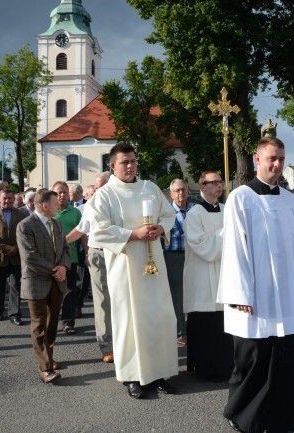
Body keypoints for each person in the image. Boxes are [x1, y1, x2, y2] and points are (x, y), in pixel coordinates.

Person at [216, 137, 294, 433]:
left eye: (280, 158)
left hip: (285, 293)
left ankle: (282, 415)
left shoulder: (290, 201)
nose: (277, 164)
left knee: (281, 357)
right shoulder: (240, 198)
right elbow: (233, 250)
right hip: (254, 295)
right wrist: (239, 293)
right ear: (257, 159)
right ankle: (242, 412)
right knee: (252, 359)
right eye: (271, 158)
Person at [87, 143, 179, 399]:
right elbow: (98, 230)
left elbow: (168, 214)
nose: (130, 166)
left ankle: (159, 373)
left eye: (133, 161)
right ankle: (131, 376)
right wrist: (133, 234)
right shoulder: (104, 195)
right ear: (112, 166)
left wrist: (161, 229)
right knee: (128, 321)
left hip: (154, 266)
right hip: (125, 267)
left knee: (157, 317)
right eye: (124, 162)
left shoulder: (149, 188)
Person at [16, 189, 71, 384]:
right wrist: (54, 270)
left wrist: (64, 266)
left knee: (52, 323)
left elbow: (66, 248)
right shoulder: (25, 226)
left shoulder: (56, 223)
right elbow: (29, 256)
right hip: (36, 281)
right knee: (38, 324)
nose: (59, 206)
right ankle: (45, 368)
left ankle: (49, 356)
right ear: (45, 205)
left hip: (57, 281)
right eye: (56, 204)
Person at [183, 170, 233, 382]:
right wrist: (226, 235)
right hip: (202, 276)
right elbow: (201, 245)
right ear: (202, 187)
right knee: (206, 324)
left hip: (225, 273)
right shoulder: (195, 214)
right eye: (213, 182)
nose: (219, 186)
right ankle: (206, 368)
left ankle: (227, 366)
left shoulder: (227, 210)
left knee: (224, 324)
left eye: (220, 182)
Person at [65, 171, 114, 363]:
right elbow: (81, 230)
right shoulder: (91, 204)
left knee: (120, 300)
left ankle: (123, 342)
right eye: (94, 187)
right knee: (102, 301)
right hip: (99, 254)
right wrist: (61, 242)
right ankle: (107, 346)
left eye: (99, 186)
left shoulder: (120, 201)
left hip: (121, 254)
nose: (94, 190)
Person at [0, 189, 28, 325]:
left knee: (15, 285)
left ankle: (14, 314)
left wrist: (16, 247)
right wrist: (3, 248)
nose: (7, 201)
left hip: (16, 255)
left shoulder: (21, 214)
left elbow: (26, 234)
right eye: (5, 198)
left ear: (14, 199)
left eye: (10, 198)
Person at [162, 178, 192, 345]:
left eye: (183, 190)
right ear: (171, 194)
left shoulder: (195, 210)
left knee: (194, 292)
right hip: (173, 257)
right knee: (177, 295)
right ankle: (182, 332)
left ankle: (194, 328)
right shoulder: (166, 213)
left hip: (193, 256)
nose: (181, 193)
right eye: (177, 190)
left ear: (188, 192)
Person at [51, 181, 82, 334]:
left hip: (72, 257)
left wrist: (88, 253)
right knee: (53, 292)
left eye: (64, 192)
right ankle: (51, 322)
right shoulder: (48, 212)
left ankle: (68, 322)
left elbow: (83, 234)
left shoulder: (76, 213)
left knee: (70, 291)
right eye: (58, 192)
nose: (62, 195)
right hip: (51, 258)